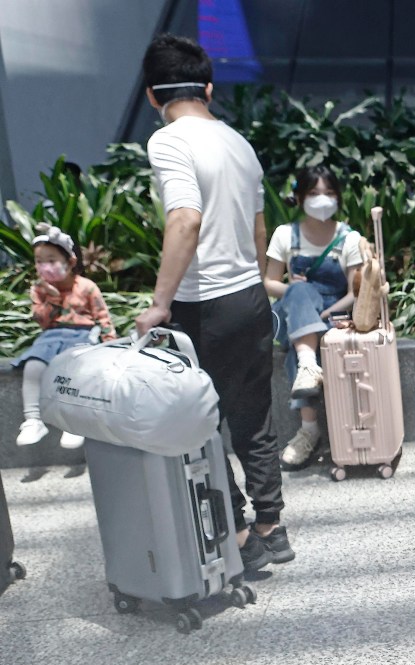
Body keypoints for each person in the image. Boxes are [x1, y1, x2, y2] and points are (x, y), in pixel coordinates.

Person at [132, 33, 292, 573]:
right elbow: (258, 229)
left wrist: (160, 304)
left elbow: (185, 219)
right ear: (208, 88)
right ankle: (272, 524)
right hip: (248, 298)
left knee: (200, 423)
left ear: (153, 96)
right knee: (255, 417)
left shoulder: (169, 141)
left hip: (205, 307)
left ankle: (241, 534)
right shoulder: (237, 142)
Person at [263, 166, 363, 469]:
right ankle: (309, 368)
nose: (323, 200)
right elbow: (269, 282)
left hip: (334, 311)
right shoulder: (285, 234)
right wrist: (295, 292)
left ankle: (309, 429)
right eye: (314, 194)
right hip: (294, 308)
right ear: (299, 198)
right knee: (298, 292)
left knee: (300, 343)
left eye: (329, 193)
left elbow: (355, 291)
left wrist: (326, 313)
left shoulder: (349, 238)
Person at [12, 223, 116, 448]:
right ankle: (33, 419)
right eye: (39, 262)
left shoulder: (87, 287)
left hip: (82, 334)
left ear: (70, 262)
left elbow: (102, 316)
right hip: (51, 335)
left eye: (51, 260)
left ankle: (74, 424)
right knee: (33, 367)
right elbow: (43, 322)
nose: (44, 267)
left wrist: (110, 346)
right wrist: (52, 298)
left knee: (75, 371)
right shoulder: (39, 290)